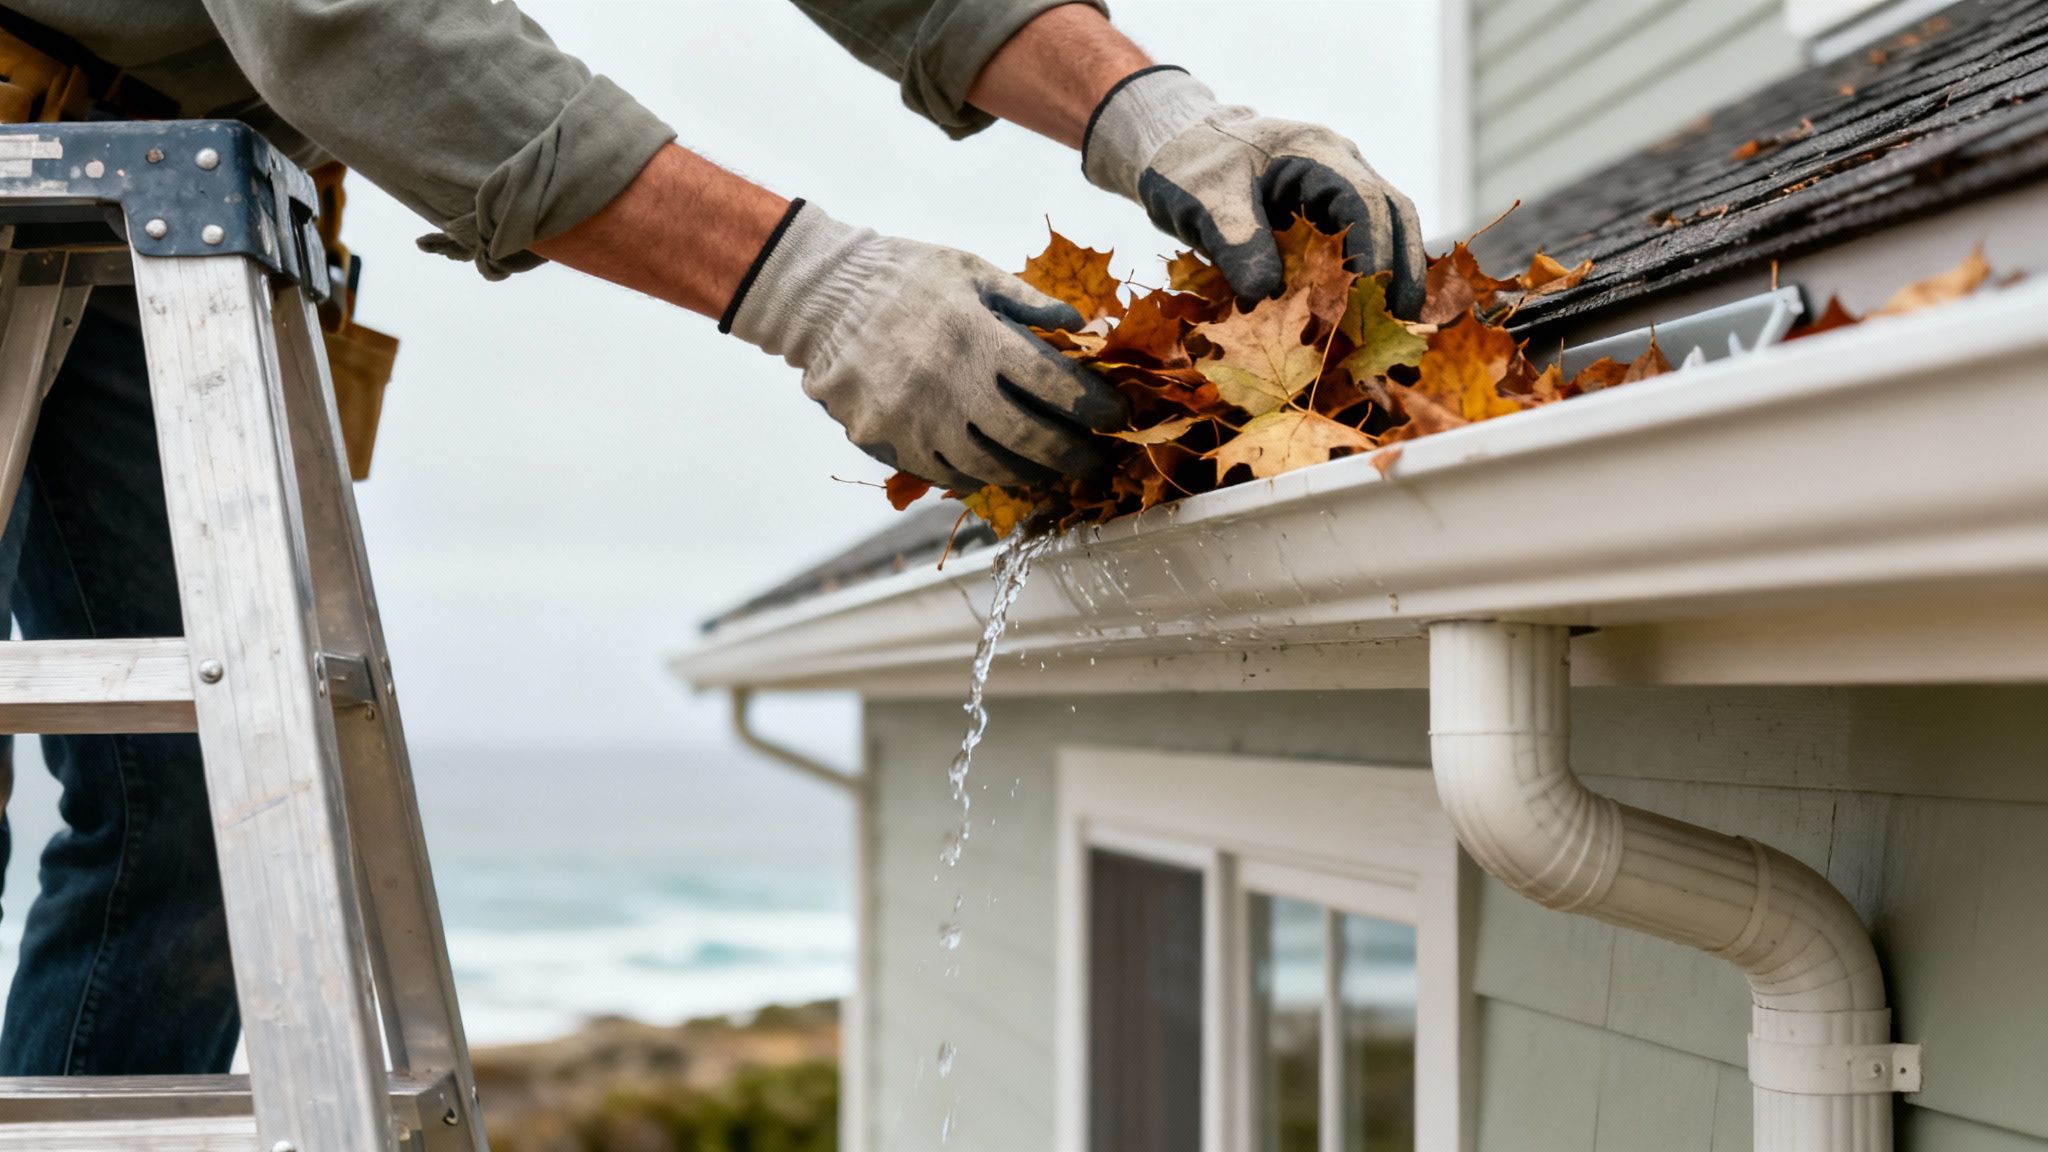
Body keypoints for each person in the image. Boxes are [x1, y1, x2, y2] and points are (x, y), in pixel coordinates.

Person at [0, 0, 1426, 1075]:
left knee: (193, 825)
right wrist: (809, 283)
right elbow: (352, 21)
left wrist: (1152, 112)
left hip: (155, 179)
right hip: (47, 146)